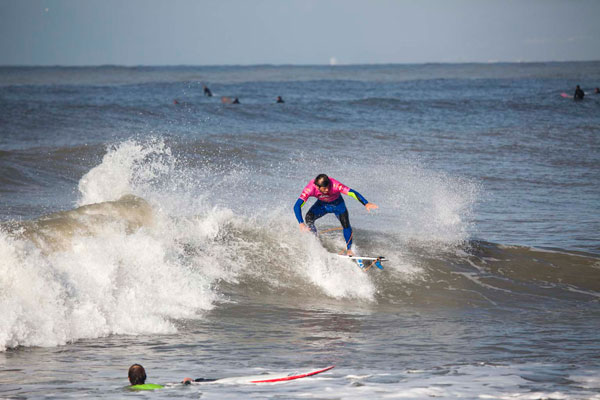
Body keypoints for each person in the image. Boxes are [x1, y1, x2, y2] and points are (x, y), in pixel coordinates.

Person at [293, 174, 378, 255]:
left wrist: (365, 203)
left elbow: (352, 192)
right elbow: (297, 206)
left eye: (328, 187)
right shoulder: (310, 188)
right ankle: (315, 241)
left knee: (345, 224)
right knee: (309, 218)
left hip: (338, 205)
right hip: (322, 205)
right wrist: (301, 223)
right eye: (324, 188)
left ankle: (349, 250)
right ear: (317, 186)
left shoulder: (335, 185)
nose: (327, 190)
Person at [127, 364, 216, 390]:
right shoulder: (155, 386)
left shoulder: (127, 390)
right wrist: (184, 382)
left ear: (129, 378)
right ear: (145, 377)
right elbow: (172, 386)